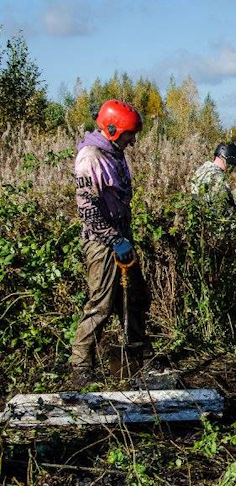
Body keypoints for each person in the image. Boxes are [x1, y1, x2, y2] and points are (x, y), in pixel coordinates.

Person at [69, 100, 150, 387]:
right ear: (113, 129)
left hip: (121, 237)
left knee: (135, 298)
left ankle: (138, 354)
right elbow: (87, 211)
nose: (133, 140)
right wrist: (115, 240)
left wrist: (123, 238)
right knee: (101, 304)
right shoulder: (90, 157)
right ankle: (81, 365)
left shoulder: (115, 153)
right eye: (129, 134)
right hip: (102, 242)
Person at [190, 142, 236, 213]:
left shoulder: (201, 170)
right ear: (230, 160)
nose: (232, 169)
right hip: (209, 216)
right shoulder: (217, 177)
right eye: (234, 165)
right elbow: (225, 208)